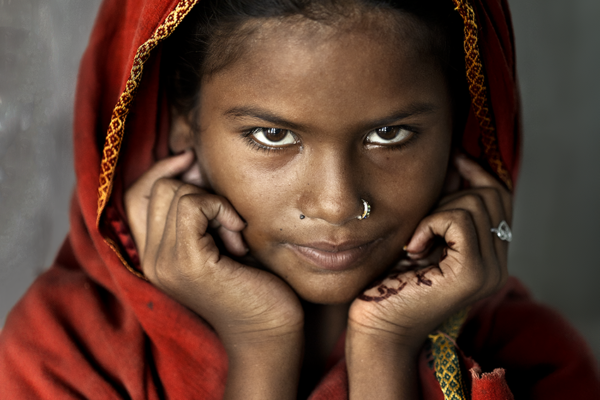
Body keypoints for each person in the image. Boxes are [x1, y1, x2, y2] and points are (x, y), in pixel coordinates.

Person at [0, 0, 598, 399]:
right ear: (182, 123)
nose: (338, 205)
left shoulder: (533, 361)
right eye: (273, 136)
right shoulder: (62, 356)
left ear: (461, 131)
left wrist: (387, 356)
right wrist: (259, 346)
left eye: (389, 135)